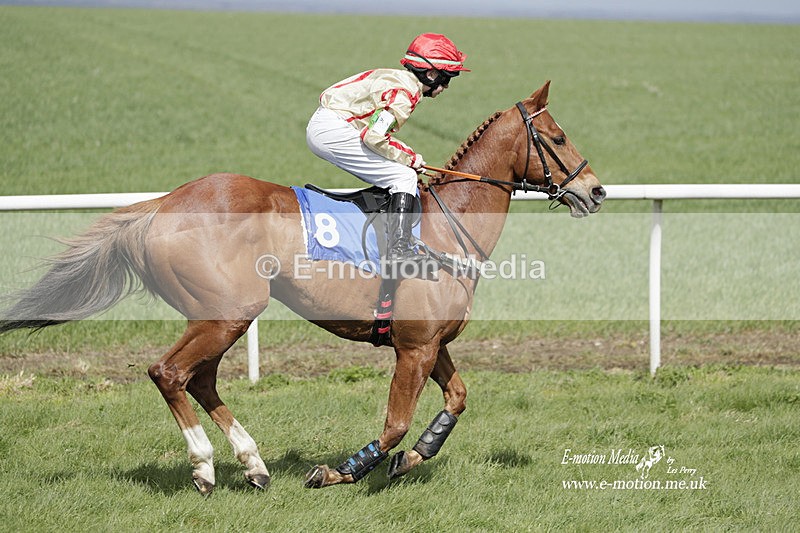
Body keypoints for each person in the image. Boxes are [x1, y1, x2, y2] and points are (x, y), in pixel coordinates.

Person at [306, 33, 469, 266]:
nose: (445, 87)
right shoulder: (405, 94)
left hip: (329, 123)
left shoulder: (396, 78)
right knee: (404, 176)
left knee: (400, 169)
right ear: (431, 74)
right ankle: (399, 250)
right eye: (446, 79)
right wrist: (411, 159)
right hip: (332, 130)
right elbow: (374, 136)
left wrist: (406, 155)